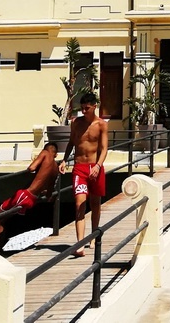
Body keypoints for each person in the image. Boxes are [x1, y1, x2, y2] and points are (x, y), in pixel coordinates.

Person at [59, 92, 109, 256]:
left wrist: (98, 166)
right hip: (79, 168)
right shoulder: (76, 123)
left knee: (95, 203)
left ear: (94, 106)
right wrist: (64, 160)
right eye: (82, 108)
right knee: (79, 204)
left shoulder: (101, 125)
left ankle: (94, 237)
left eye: (87, 108)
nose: (84, 111)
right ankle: (80, 244)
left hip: (95, 167)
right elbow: (71, 142)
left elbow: (104, 148)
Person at [0, 142, 60, 252]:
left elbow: (31, 167)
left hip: (24, 195)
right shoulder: (55, 169)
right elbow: (49, 194)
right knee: (1, 221)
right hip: (32, 199)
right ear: (56, 154)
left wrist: (36, 165)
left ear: (45, 149)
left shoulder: (45, 153)